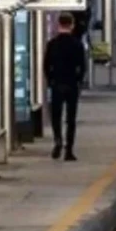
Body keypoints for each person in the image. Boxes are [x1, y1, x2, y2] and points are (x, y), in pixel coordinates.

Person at [43, 13, 86, 162]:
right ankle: (69, 150)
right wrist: (79, 81)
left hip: (57, 84)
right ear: (72, 25)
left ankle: (58, 141)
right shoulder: (77, 44)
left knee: (56, 116)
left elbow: (46, 66)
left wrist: (51, 80)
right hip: (72, 84)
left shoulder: (52, 44)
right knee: (71, 119)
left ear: (58, 25)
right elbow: (83, 66)